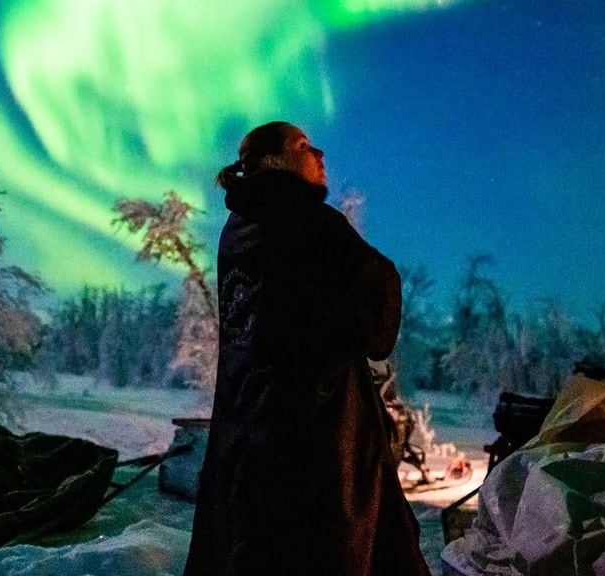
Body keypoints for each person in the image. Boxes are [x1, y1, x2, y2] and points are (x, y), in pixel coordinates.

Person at [182, 121, 431, 576]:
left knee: (253, 545)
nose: (318, 153)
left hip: (248, 428)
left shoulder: (238, 227)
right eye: (302, 145)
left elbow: (281, 312)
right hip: (316, 433)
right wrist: (351, 336)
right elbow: (376, 281)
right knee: (330, 545)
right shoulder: (305, 217)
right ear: (273, 160)